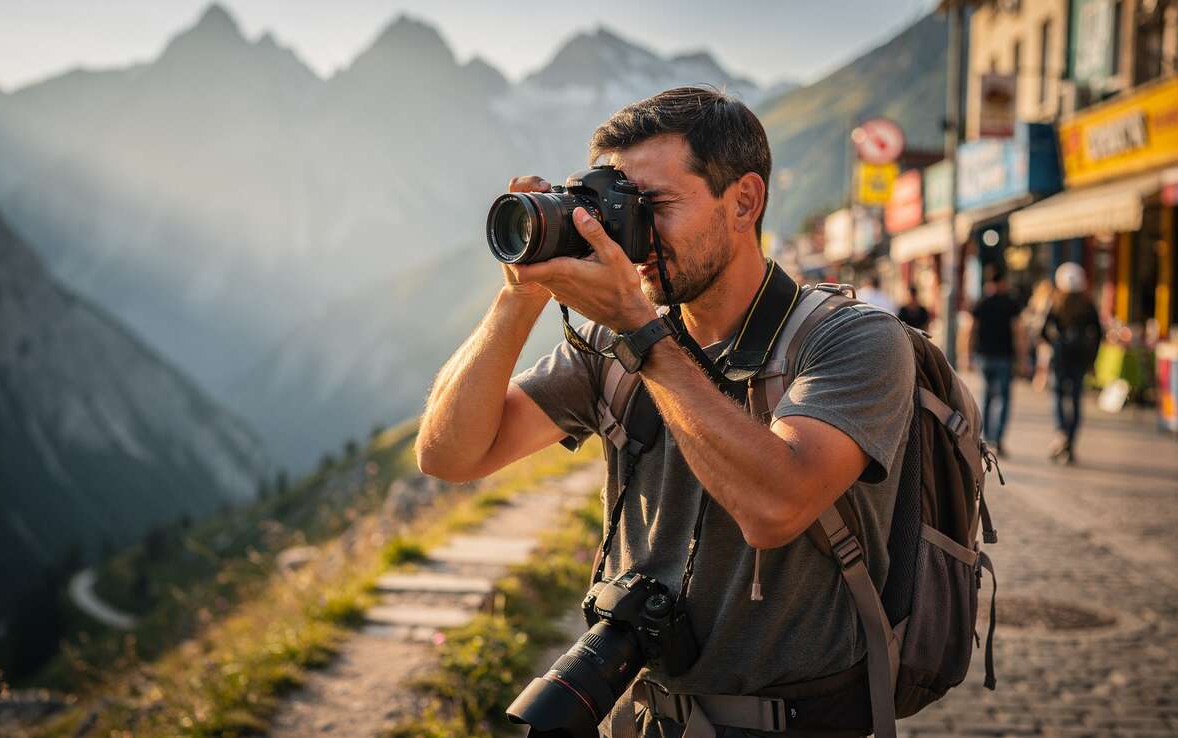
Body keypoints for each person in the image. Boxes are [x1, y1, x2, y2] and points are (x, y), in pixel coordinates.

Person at [415, 87, 915, 738]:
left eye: (654, 206)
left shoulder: (854, 340)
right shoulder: (610, 345)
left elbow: (775, 508)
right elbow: (449, 455)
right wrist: (522, 292)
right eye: (617, 208)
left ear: (744, 201)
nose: (634, 235)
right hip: (643, 717)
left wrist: (640, 331)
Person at [1041, 262, 1102, 464]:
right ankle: (1071, 442)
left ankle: (1061, 432)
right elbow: (1098, 334)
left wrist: (1055, 343)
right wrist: (1092, 358)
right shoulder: (1087, 304)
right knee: (1075, 400)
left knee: (1058, 396)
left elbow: (1043, 331)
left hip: (1061, 357)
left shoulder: (1056, 303)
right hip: (1080, 359)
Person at [970, 267, 1021, 458]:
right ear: (1002, 282)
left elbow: (972, 329)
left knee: (987, 396)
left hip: (984, 355)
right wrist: (1022, 357)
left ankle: (986, 438)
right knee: (1004, 398)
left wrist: (967, 354)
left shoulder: (981, 302)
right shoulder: (1010, 303)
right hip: (1004, 356)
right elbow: (1017, 331)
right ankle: (997, 439)